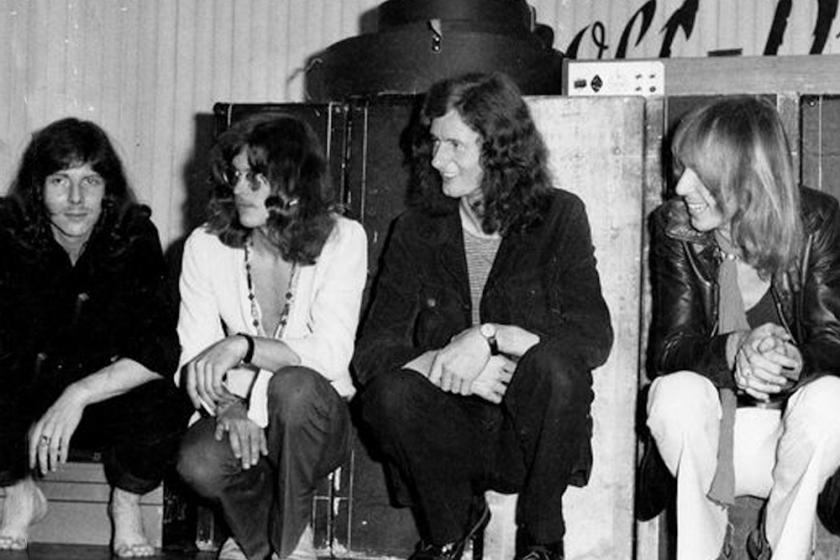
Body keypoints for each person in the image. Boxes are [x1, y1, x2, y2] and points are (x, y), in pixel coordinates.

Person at [354, 72, 613, 560]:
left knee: (558, 367)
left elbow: (593, 337)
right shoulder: (414, 230)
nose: (437, 160)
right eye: (434, 143)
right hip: (449, 435)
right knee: (387, 394)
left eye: (455, 145)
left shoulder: (560, 216)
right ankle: (448, 534)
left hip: (529, 434)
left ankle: (541, 540)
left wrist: (490, 338)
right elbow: (371, 355)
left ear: (499, 149)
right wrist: (451, 365)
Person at [645, 96, 840, 560]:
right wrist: (734, 350)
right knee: (672, 395)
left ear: (747, 180)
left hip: (793, 438)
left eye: (700, 174)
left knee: (833, 400)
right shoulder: (675, 228)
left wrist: (790, 362)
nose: (681, 186)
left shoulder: (817, 223)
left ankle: (778, 548)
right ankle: (707, 549)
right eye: (681, 168)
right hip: (714, 437)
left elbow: (834, 345)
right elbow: (668, 352)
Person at [175, 114, 367, 560]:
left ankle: (285, 541)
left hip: (313, 419)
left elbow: (332, 354)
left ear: (294, 182)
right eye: (236, 175)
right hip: (239, 408)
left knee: (293, 387)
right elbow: (194, 358)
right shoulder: (205, 245)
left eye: (256, 178)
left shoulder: (343, 238)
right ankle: (268, 538)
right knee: (199, 460)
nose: (240, 188)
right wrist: (229, 406)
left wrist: (243, 346)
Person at [0, 118, 189, 557]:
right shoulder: (6, 232)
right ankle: (19, 491)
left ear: (108, 190)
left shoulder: (134, 234)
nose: (75, 198)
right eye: (59, 180)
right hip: (27, 401)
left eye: (90, 180)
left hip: (104, 401)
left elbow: (159, 348)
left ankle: (126, 502)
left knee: (166, 395)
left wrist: (79, 394)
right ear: (37, 188)